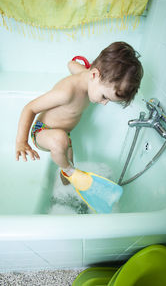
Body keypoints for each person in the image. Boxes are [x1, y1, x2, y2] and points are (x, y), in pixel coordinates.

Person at [15, 41, 143, 186]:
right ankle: (68, 171)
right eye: (104, 97)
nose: (104, 102)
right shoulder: (66, 92)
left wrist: (72, 63)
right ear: (94, 74)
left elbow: (71, 65)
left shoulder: (87, 75)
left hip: (64, 136)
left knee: (68, 162)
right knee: (61, 144)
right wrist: (21, 142)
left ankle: (67, 176)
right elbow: (29, 108)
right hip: (42, 131)